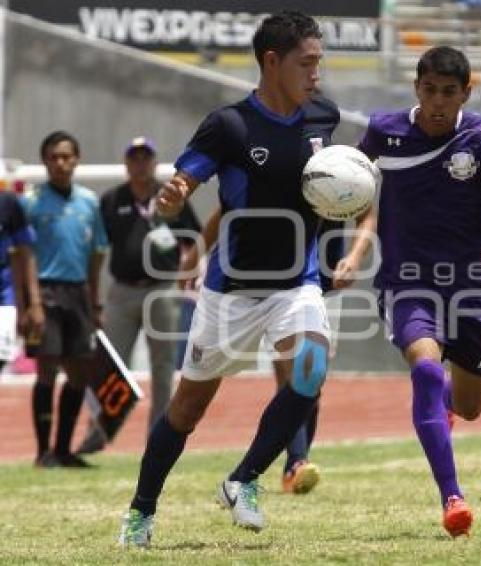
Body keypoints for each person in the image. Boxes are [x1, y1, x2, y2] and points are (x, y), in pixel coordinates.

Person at [119, 11, 375, 548]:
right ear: (271, 62)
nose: (316, 75)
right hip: (230, 291)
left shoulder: (322, 118)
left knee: (309, 371)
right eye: (307, 64)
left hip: (296, 282)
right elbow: (188, 177)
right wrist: (174, 194)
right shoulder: (230, 125)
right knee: (186, 411)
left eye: (319, 64)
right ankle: (141, 512)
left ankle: (243, 479)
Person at [356, 46, 481, 537]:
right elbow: (350, 184)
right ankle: (452, 498)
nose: (438, 102)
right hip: (406, 282)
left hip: (472, 286)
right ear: (417, 88)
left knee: (470, 406)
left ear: (466, 93)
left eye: (449, 93)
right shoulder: (383, 132)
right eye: (430, 90)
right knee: (425, 369)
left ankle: (447, 413)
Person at [178, 207, 343, 494]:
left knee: (311, 380)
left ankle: (292, 462)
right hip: (284, 279)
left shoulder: (343, 164)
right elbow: (229, 203)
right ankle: (295, 462)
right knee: (292, 373)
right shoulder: (278, 168)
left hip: (326, 275)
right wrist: (197, 252)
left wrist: (354, 256)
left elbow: (367, 214)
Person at [75, 137, 201, 455]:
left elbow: (196, 238)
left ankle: (157, 439)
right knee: (109, 364)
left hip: (162, 288)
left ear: (155, 162)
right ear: (126, 163)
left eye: (146, 157)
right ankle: (97, 432)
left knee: (163, 367)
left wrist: (190, 271)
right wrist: (95, 295)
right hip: (122, 290)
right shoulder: (112, 199)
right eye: (135, 157)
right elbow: (98, 247)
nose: (140, 163)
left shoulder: (171, 196)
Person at [22, 130, 109, 468]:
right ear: (45, 160)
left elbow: (97, 251)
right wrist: (32, 302)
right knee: (46, 369)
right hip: (44, 291)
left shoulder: (89, 201)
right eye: (54, 157)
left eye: (67, 156)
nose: (61, 163)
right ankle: (43, 452)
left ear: (77, 159)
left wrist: (94, 299)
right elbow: (24, 254)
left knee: (78, 374)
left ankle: (63, 449)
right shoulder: (32, 202)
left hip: (78, 293)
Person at [0, 192, 44, 374]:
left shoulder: (8, 203)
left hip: (4, 295)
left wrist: (32, 303)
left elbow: (25, 252)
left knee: (2, 355)